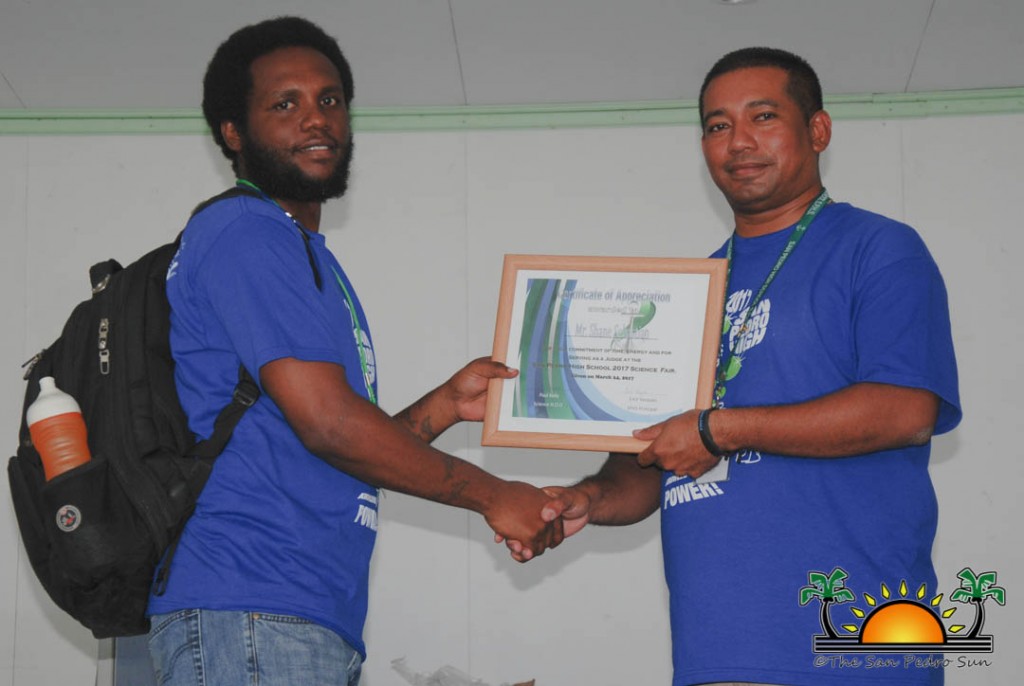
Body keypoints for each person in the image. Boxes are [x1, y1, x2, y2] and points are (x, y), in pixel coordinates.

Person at [522, 47, 961, 686]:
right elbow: (652, 455)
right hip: (717, 651)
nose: (739, 141)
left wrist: (718, 429)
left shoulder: (878, 247)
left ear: (818, 130)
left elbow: (906, 410)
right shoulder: (681, 294)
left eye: (763, 116)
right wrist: (587, 498)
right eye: (717, 125)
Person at [147, 16, 562, 686]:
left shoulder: (300, 250)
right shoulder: (247, 232)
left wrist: (442, 406)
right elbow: (330, 425)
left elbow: (330, 451)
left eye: (330, 99)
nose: (316, 119)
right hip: (251, 606)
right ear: (233, 132)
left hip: (291, 614)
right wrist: (493, 495)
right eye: (285, 104)